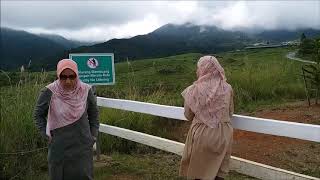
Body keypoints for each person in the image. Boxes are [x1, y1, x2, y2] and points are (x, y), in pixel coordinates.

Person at [34, 59, 99, 180]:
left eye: (72, 76)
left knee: (83, 175)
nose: (68, 81)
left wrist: (93, 136)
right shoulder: (49, 92)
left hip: (82, 146)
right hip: (59, 147)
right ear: (58, 75)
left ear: (77, 75)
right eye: (63, 77)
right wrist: (45, 134)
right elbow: (38, 115)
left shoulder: (86, 90)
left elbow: (94, 116)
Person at [179, 56, 234, 180]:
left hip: (201, 134)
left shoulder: (192, 90)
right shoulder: (228, 88)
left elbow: (188, 116)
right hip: (223, 134)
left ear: (202, 69)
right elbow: (230, 112)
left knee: (199, 172)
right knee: (219, 172)